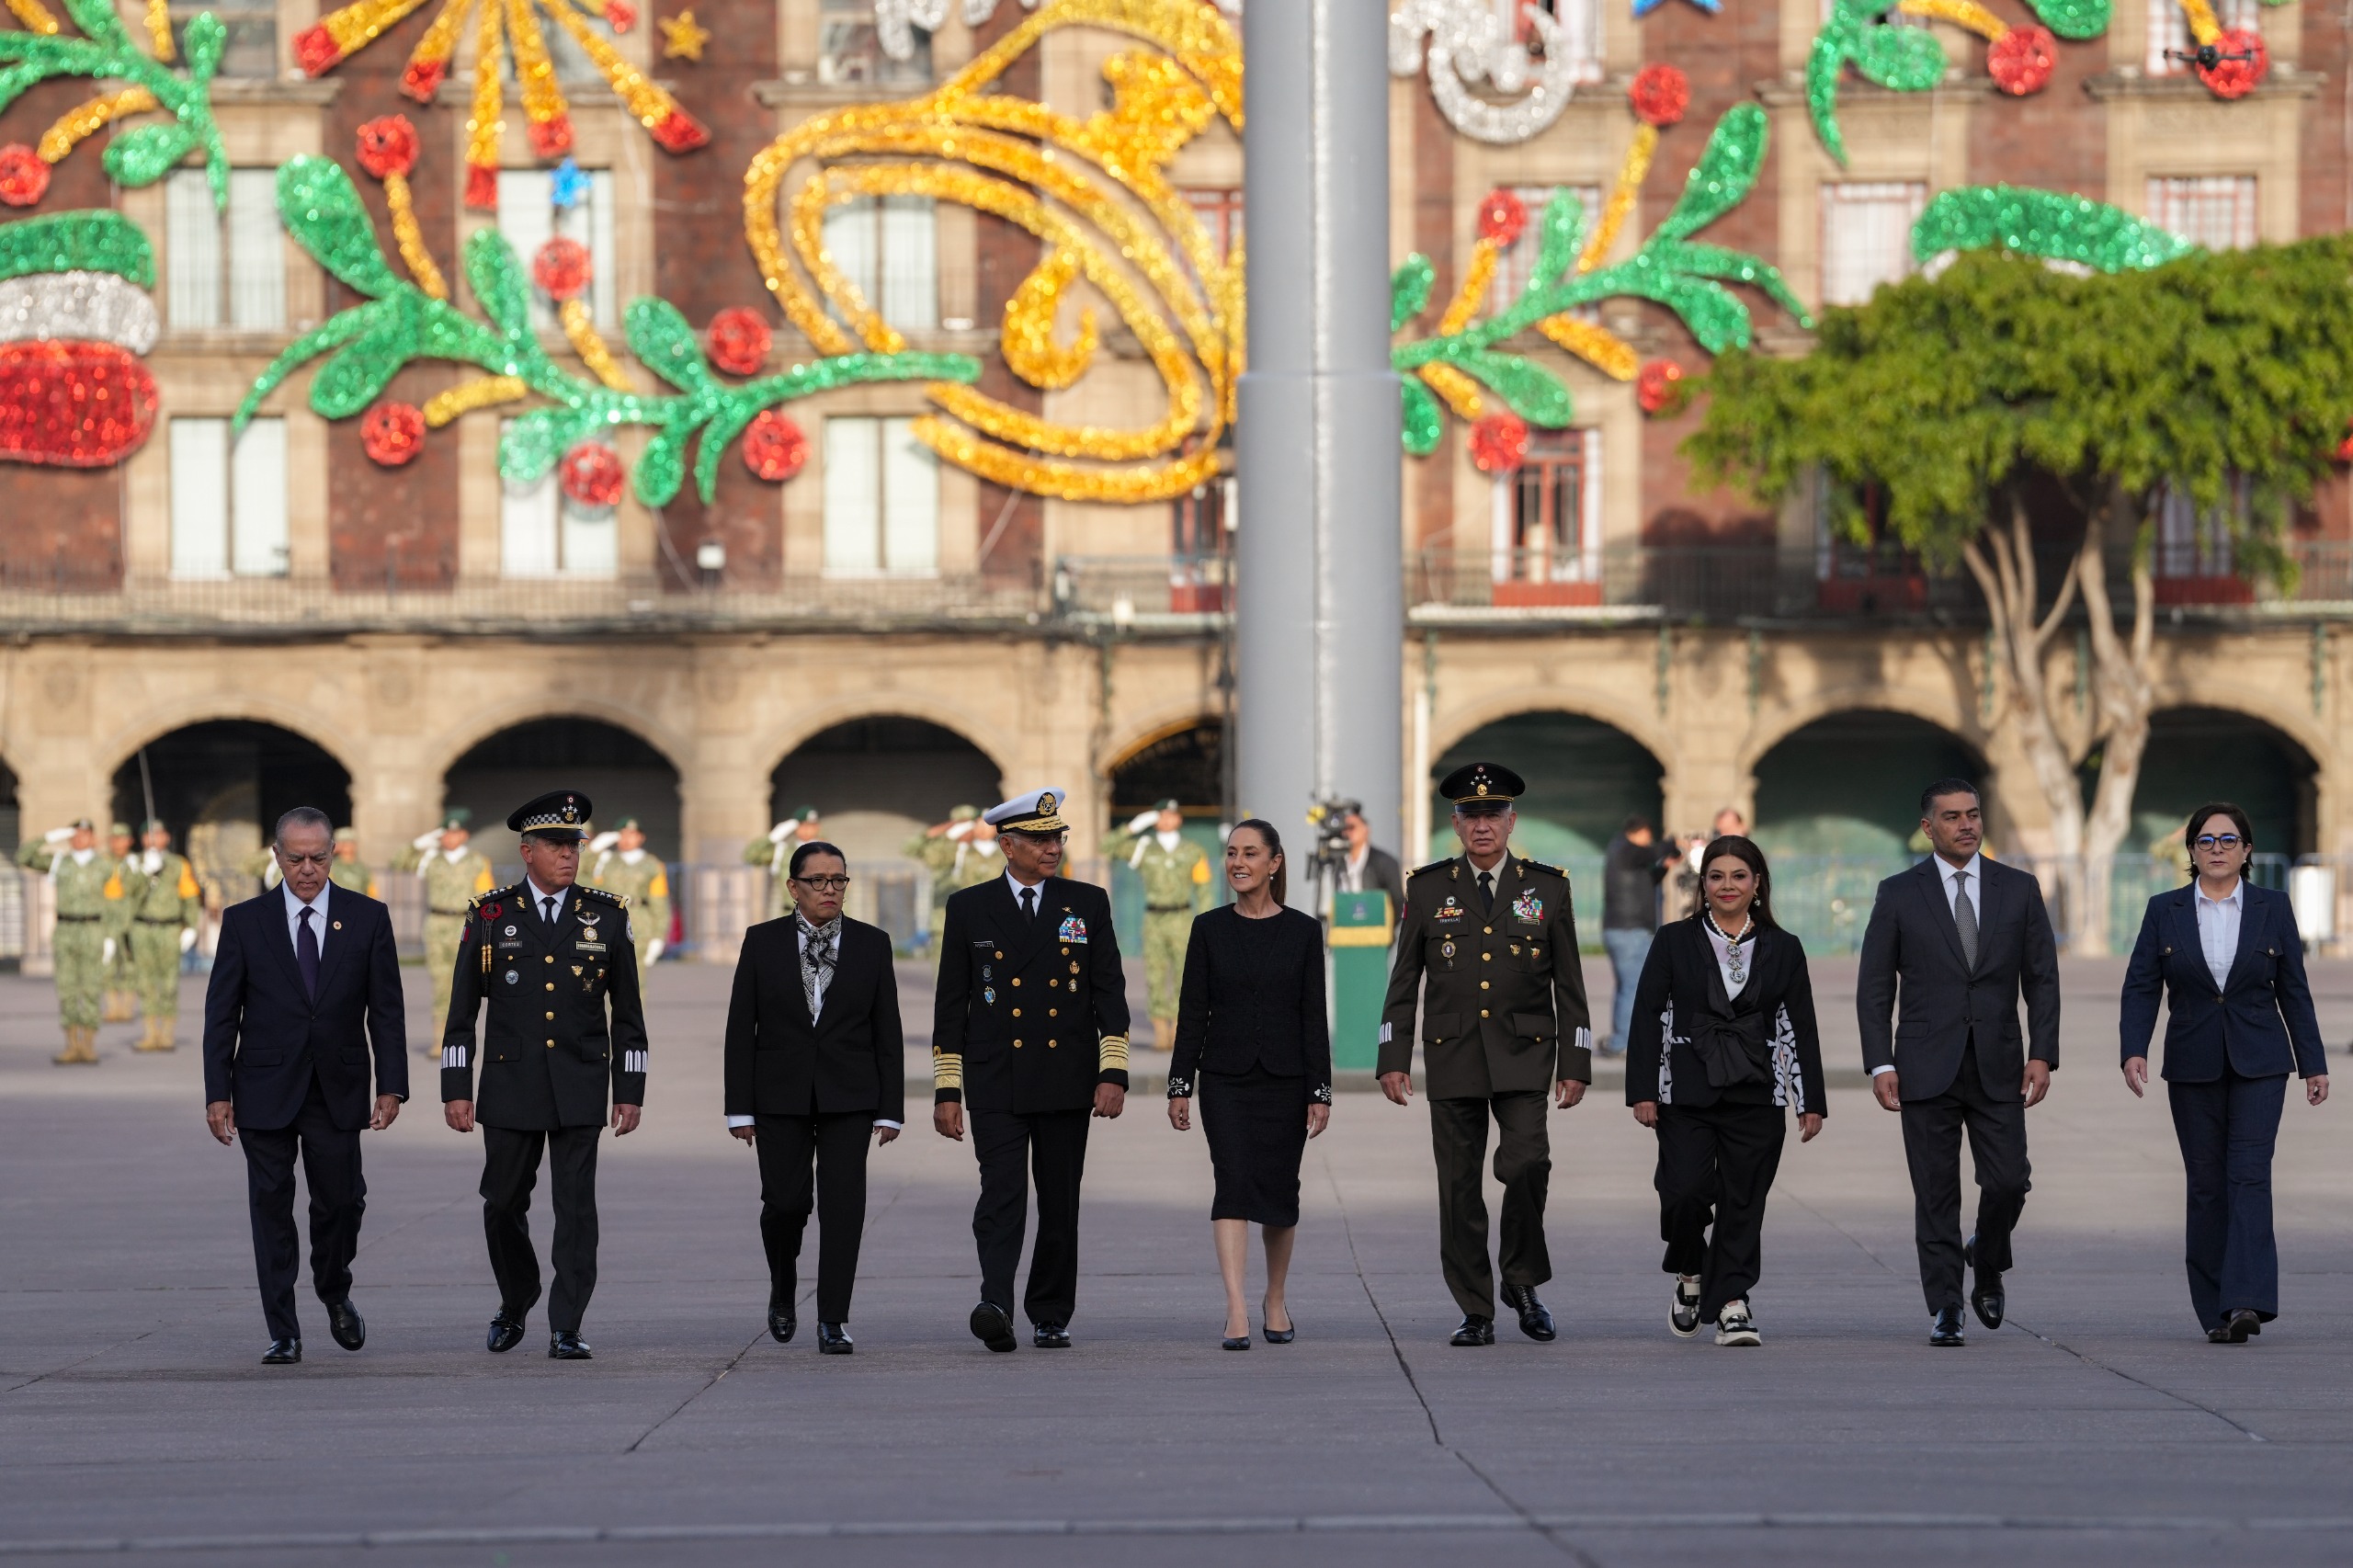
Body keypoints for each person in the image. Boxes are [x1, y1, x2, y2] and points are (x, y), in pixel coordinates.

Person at [1378, 762, 1592, 1346]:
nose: (1482, 825)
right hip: (1452, 1057)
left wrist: (1575, 1064)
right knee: (1458, 1188)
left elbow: (1570, 986)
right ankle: (1476, 1307)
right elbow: (1404, 982)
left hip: (1525, 1054)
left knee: (1526, 1165)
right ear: (1455, 822)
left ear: (1511, 821)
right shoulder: (1426, 888)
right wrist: (1392, 1055)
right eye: (1470, 815)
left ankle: (1521, 1280)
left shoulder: (1548, 888)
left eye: (1492, 814)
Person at [440, 790, 647, 1360]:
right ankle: (517, 1294)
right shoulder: (490, 916)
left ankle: (567, 1322)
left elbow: (629, 1016)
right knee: (502, 1202)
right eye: (556, 844)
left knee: (576, 1207)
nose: (568, 854)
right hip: (510, 1085)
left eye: (574, 844)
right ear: (526, 851)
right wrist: (456, 1089)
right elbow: (461, 1015)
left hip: (581, 1082)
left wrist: (631, 1091)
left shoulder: (606, 915)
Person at [1856, 778, 2059, 1347]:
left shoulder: (2019, 889)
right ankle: (1946, 1306)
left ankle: (1987, 1257)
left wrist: (2043, 1052)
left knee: (2009, 1182)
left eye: (1972, 814)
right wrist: (1879, 1063)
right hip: (1923, 1065)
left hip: (2000, 1064)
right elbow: (1875, 987)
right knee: (1936, 1194)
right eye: (1952, 817)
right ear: (1928, 828)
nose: (1966, 825)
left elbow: (2042, 980)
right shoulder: (1898, 893)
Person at [200, 807, 406, 1365]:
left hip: (337, 1087)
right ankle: (282, 1329)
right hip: (263, 1088)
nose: (307, 869)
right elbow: (221, 1013)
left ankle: (333, 1286)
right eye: (296, 859)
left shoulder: (367, 918)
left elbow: (386, 1011)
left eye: (318, 858)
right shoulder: (246, 921)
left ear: (333, 855)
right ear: (277, 857)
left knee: (342, 1201)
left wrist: (393, 1085)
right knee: (270, 1206)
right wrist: (217, 1092)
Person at [2120, 803, 2329, 1343]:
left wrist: (2314, 1063)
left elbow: (2294, 990)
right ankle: (2215, 1309)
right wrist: (2133, 1048)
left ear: (2247, 850)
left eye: (2228, 839)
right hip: (2192, 1063)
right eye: (2206, 840)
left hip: (2261, 1061)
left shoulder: (2272, 907)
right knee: (2208, 1184)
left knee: (2250, 1175)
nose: (2217, 848)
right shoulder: (2163, 910)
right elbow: (2142, 984)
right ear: (2190, 851)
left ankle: (2248, 1302)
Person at [931, 788, 1130, 1352]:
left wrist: (1112, 1072)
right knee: (1001, 1194)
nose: (1052, 848)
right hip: (997, 1077)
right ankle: (995, 1301)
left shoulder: (1086, 903)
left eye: (1057, 837)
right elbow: (952, 1003)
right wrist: (949, 1086)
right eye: (1039, 839)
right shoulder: (969, 907)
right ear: (1006, 845)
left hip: (1067, 1076)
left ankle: (1049, 1311)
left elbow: (1108, 993)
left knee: (1060, 1198)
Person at [1625, 835, 1825, 1347]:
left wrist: (1810, 1100)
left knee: (1745, 1201)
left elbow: (1799, 1025)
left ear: (1757, 883)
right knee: (1683, 1192)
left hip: (1757, 1093)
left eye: (1739, 875)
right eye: (1717, 876)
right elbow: (1647, 1014)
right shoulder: (1672, 940)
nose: (1728, 885)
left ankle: (1733, 1303)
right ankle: (1691, 1271)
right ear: (1703, 884)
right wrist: (1643, 1090)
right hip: (1686, 1091)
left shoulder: (1785, 947)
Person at [723, 840, 904, 1355]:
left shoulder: (872, 943)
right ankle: (783, 1287)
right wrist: (740, 1105)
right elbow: (741, 1028)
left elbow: (887, 1030)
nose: (830, 890)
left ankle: (833, 1318)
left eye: (839, 881)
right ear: (793, 887)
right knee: (785, 1204)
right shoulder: (762, 942)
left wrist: (891, 1109)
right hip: (779, 1095)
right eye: (818, 881)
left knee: (845, 1208)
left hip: (851, 1094)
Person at [1165, 820, 1332, 1349]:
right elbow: (1192, 1012)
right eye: (1232, 853)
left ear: (1274, 863)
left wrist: (1320, 1092)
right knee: (1232, 1182)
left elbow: (1313, 1017)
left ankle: (1275, 1298)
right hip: (1225, 1080)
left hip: (1285, 1081)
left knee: (1280, 1193)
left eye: (1250, 853)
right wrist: (1179, 1085)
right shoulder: (1208, 928)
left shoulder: (1304, 931)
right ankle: (1237, 1308)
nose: (1239, 862)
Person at [1103, 799, 1211, 1050]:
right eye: (1160, 815)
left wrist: (1206, 925)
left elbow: (1204, 889)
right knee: (1155, 974)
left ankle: (1179, 1027)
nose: (1166, 820)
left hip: (1182, 918)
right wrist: (1133, 826)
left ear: (1179, 819)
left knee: (1186, 975)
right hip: (1154, 919)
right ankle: (1160, 1030)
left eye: (1171, 815)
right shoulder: (1144, 848)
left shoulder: (1193, 851)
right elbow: (1106, 846)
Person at [18, 819, 123, 1065]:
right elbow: (24, 856)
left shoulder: (105, 865)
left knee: (90, 987)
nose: (79, 838)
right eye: (74, 834)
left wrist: (111, 935)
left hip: (94, 927)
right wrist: (51, 836)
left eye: (84, 834)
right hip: (66, 929)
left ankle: (87, 1044)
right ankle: (71, 1044)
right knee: (66, 988)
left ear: (93, 838)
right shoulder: (59, 861)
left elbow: (116, 901)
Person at [398, 811, 494, 1057]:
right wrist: (421, 842)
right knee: (440, 982)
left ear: (464, 834)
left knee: (465, 983)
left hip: (465, 923)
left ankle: (460, 1035)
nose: (450, 838)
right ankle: (439, 1038)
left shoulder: (477, 861)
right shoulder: (431, 859)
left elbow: (487, 897)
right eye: (446, 833)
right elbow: (398, 862)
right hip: (437, 923)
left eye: (455, 832)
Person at [1600, 816, 1679, 1056]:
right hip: (1629, 931)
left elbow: (1647, 879)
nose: (1649, 842)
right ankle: (1622, 1042)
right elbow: (1653, 852)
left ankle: (1621, 1039)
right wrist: (1674, 844)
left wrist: (1664, 867)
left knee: (1630, 986)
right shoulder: (1625, 849)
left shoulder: (1625, 855)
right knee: (1633, 987)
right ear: (1640, 832)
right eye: (1648, 837)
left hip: (1627, 930)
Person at [126, 819, 202, 1052]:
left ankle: (167, 1033)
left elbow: (189, 895)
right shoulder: (133, 863)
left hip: (169, 928)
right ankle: (151, 1033)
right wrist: (144, 872)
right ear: (142, 839)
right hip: (142, 928)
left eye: (158, 834)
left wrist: (191, 926)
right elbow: (127, 893)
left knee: (168, 982)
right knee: (145, 982)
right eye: (149, 835)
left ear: (166, 838)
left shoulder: (178, 864)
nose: (153, 839)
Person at [585, 817, 669, 975]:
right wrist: (594, 849)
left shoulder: (653, 865)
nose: (627, 839)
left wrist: (659, 936)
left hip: (640, 925)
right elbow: (580, 874)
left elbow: (659, 903)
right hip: (608, 920)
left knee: (635, 979)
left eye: (632, 834)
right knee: (604, 977)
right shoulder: (605, 860)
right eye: (622, 834)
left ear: (641, 837)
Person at [748, 807, 823, 920]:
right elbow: (750, 856)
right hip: (791, 914)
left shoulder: (828, 852)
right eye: (804, 825)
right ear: (796, 827)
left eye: (812, 826)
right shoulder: (783, 851)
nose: (808, 830)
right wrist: (772, 838)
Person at [102, 822, 139, 1023]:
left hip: (129, 918)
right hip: (107, 917)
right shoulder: (103, 862)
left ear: (130, 841)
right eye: (114, 838)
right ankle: (112, 1006)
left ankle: (127, 1006)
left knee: (129, 964)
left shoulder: (135, 862)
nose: (118, 843)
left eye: (122, 838)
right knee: (107, 964)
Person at [1337, 806, 1404, 914]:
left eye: (1352, 827)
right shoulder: (1336, 863)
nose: (1347, 832)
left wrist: (1385, 927)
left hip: (1376, 927)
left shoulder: (1384, 862)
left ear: (1366, 830)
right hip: (1344, 927)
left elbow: (1398, 903)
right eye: (1344, 828)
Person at [328, 827, 378, 898]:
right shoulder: (332, 867)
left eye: (350, 842)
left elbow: (372, 893)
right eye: (343, 843)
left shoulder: (363, 869)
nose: (347, 846)